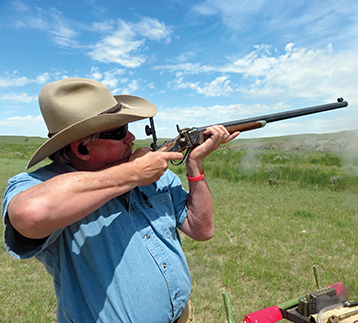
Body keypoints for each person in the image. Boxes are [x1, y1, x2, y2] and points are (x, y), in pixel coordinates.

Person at [2, 78, 239, 322]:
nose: (131, 137)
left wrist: (194, 164)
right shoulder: (40, 185)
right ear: (82, 148)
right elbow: (29, 212)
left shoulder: (148, 171)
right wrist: (133, 174)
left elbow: (201, 229)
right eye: (119, 131)